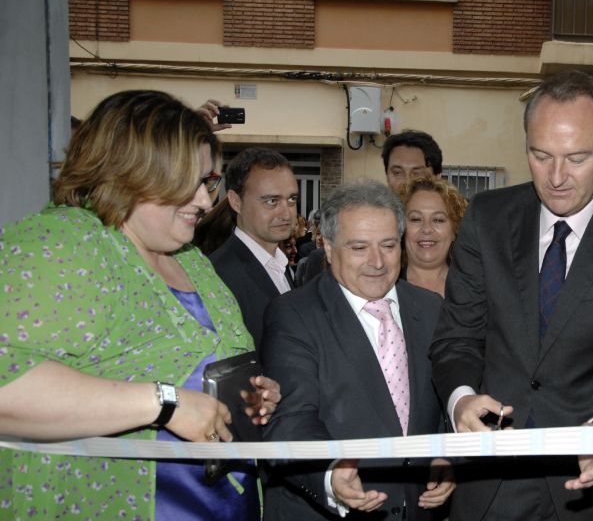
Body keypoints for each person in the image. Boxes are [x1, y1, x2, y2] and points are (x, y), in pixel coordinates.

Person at [0, 90, 281, 520]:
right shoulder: (63, 243)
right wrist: (164, 404)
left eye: (208, 183)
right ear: (133, 172)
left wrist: (249, 395)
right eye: (190, 181)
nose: (206, 201)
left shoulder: (191, 259)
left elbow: (205, 369)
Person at [430, 70, 593, 520]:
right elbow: (456, 338)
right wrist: (461, 398)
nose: (557, 177)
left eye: (576, 157)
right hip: (492, 480)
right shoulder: (487, 218)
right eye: (541, 155)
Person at [261, 181, 454, 520]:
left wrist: (448, 454)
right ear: (330, 249)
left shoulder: (430, 309)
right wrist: (330, 472)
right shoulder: (294, 315)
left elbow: (443, 402)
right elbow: (291, 419)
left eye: (388, 246)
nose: (377, 262)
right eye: (359, 248)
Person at [210, 147, 299, 350]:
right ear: (235, 201)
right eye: (271, 201)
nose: (286, 213)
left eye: (292, 199)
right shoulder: (219, 275)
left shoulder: (281, 265)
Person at [400, 176, 468, 297]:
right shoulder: (384, 289)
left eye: (438, 220)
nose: (426, 229)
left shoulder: (475, 290)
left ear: (455, 230)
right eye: (416, 219)